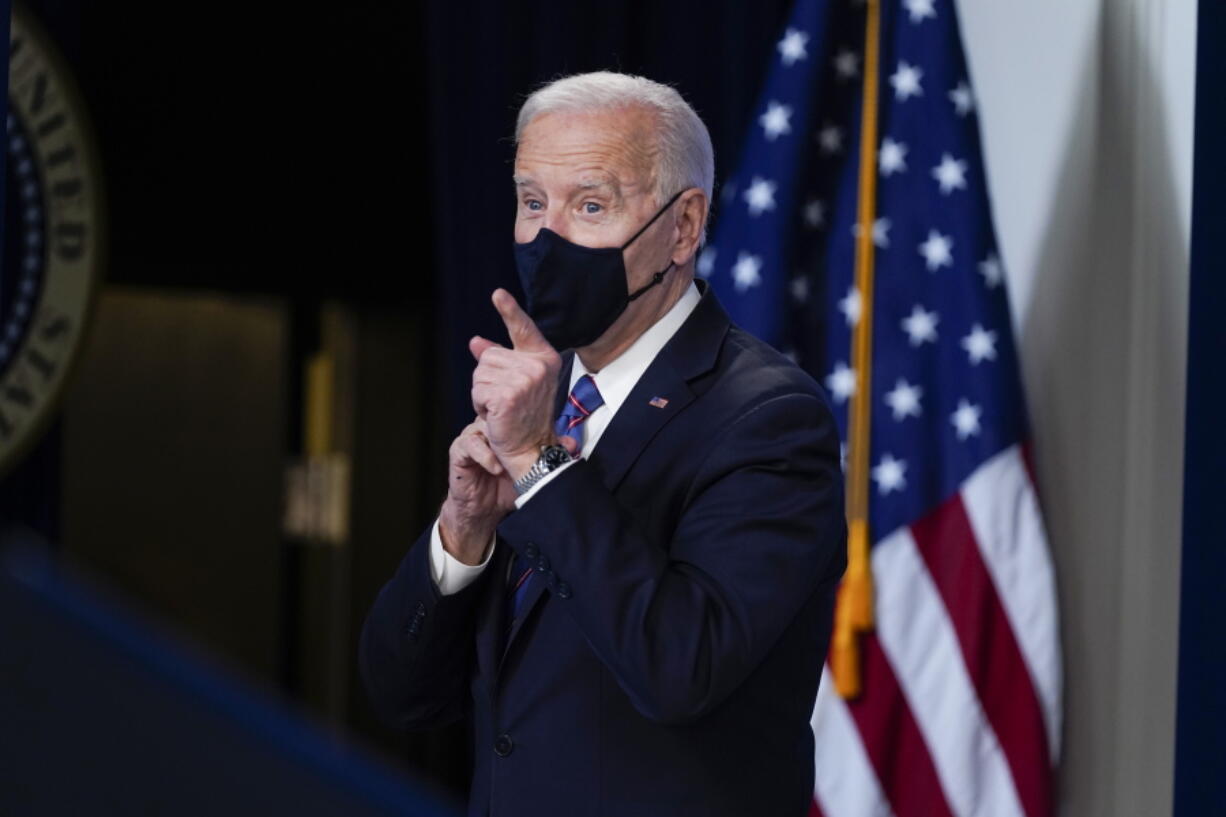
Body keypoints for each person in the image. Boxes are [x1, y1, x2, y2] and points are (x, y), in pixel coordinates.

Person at [359, 71, 847, 817]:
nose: (548, 237)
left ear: (683, 227)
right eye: (531, 202)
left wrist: (541, 466)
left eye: (590, 205)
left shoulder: (770, 418)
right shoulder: (539, 402)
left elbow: (679, 667)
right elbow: (400, 692)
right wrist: (462, 532)